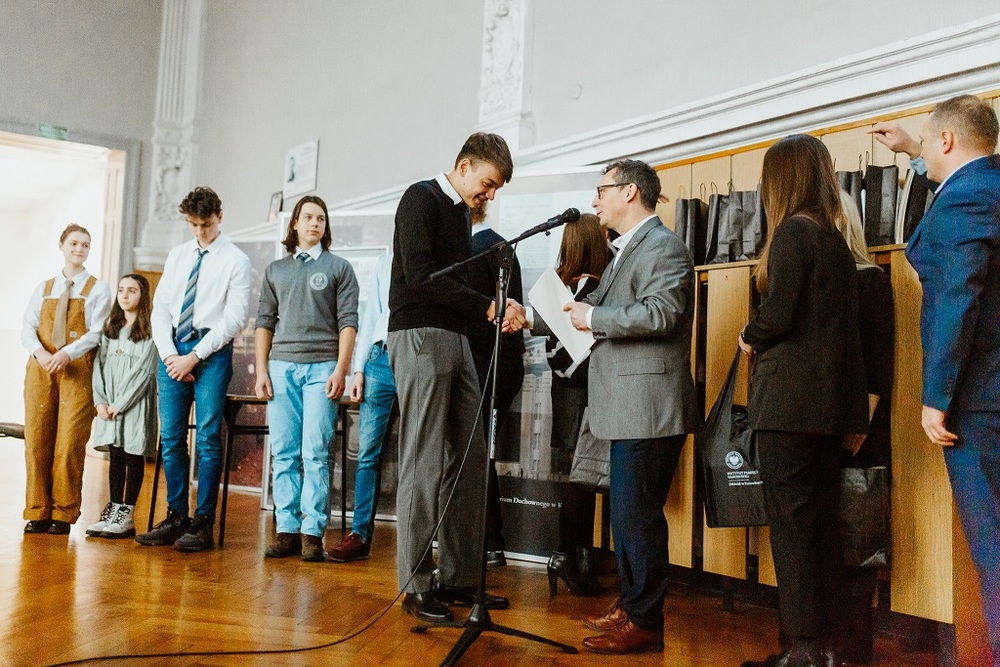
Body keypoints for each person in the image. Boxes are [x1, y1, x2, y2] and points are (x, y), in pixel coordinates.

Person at [513, 159, 699, 654]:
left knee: (638, 517)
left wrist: (594, 315)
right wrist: (527, 318)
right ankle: (633, 604)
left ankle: (645, 621)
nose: (595, 201)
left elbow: (661, 313)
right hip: (626, 406)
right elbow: (576, 312)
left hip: (650, 406)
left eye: (602, 190)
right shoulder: (624, 252)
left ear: (630, 192)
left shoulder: (664, 247)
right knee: (628, 515)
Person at [873, 95, 1000, 666]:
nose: (921, 150)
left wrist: (936, 397)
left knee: (993, 545)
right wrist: (910, 152)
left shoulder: (964, 203)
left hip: (978, 399)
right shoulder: (988, 187)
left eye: (926, 141)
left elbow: (957, 299)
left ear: (946, 140)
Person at [737, 135, 868, 667]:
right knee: (818, 528)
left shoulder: (791, 232)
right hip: (828, 407)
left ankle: (805, 650)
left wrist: (749, 333)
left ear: (780, 181)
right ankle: (823, 645)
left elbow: (779, 316)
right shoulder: (832, 237)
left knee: (791, 533)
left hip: (789, 407)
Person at [387, 132, 519, 623]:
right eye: (487, 184)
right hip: (419, 334)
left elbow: (457, 284)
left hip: (457, 338)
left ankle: (459, 577)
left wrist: (492, 311)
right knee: (422, 463)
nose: (489, 195)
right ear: (464, 166)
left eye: (495, 189)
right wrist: (488, 305)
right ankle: (416, 584)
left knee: (468, 461)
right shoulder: (419, 198)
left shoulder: (463, 214)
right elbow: (421, 276)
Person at [136, 186, 252, 552]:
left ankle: (202, 522)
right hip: (173, 349)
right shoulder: (177, 255)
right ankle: (176, 516)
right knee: (170, 437)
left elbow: (234, 319)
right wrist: (172, 355)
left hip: (212, 351)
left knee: (206, 437)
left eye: (206, 224)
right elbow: (161, 307)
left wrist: (194, 357)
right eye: (193, 225)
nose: (200, 231)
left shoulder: (236, 260)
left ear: (220, 217)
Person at [254, 195, 359, 563]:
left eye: (321, 218)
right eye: (309, 217)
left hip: (322, 370)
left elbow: (349, 323)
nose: (315, 223)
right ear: (295, 224)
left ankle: (311, 532)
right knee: (283, 452)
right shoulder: (275, 271)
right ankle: (286, 531)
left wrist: (340, 370)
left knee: (315, 452)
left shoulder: (339, 268)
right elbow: (264, 323)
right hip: (282, 368)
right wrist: (262, 369)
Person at [833, 192, 895, 664]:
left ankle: (854, 652)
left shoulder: (870, 280)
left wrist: (858, 429)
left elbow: (878, 368)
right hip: (820, 427)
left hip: (858, 431)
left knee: (857, 547)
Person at [21, 224, 112, 535]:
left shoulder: (98, 289)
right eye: (74, 243)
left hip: (77, 370)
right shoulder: (44, 288)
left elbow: (96, 332)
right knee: (37, 439)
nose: (79, 249)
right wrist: (41, 354)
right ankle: (37, 511)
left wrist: (67, 353)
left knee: (70, 443)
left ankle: (63, 512)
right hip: (41, 370)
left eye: (85, 245)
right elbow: (27, 327)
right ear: (61, 245)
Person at [543, 213, 609, 596]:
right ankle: (571, 556)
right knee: (584, 480)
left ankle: (572, 556)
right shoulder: (590, 290)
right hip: (583, 392)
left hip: (563, 392)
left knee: (577, 478)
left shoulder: (559, 287)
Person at [464, 201, 526, 568]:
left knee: (476, 454)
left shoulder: (476, 251)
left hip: (485, 363)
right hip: (503, 364)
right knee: (480, 452)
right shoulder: (502, 247)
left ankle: (487, 541)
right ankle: (489, 542)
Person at [325, 252, 396, 563]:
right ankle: (360, 536)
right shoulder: (387, 259)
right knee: (367, 453)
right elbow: (371, 315)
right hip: (379, 359)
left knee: (419, 453)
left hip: (417, 356)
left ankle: (420, 542)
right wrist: (358, 369)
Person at [87, 274, 158, 539]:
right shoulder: (111, 327)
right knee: (115, 455)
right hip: (110, 403)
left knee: (132, 454)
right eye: (121, 290)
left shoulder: (150, 330)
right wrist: (101, 400)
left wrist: (120, 403)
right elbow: (100, 366)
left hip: (134, 403)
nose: (124, 295)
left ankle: (126, 513)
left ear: (143, 296)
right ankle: (114, 507)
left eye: (131, 290)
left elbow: (144, 372)